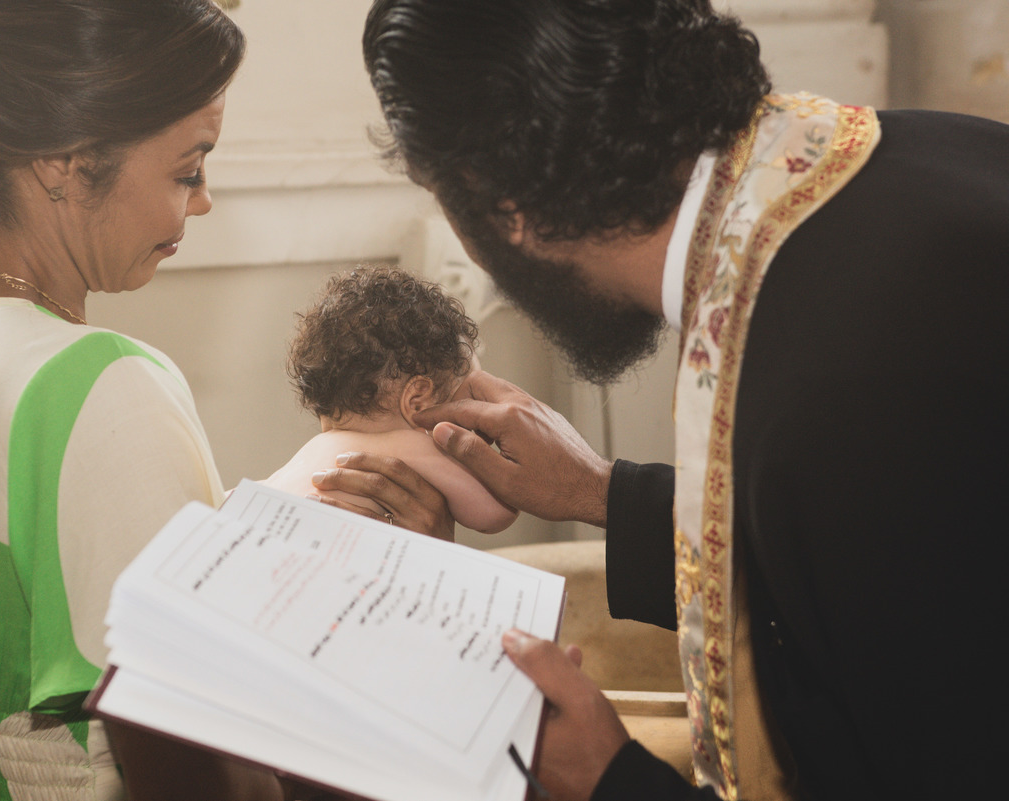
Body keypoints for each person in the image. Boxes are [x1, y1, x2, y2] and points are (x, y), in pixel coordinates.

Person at [359, 1, 1009, 799]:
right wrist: (602, 492)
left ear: (503, 207)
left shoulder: (824, 393)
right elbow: (867, 564)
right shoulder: (924, 151)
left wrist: (611, 777)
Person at [0, 3, 450, 800]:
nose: (204, 198)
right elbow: (201, 774)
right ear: (66, 160)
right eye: (188, 167)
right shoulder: (100, 381)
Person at [261, 265, 518, 534]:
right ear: (417, 402)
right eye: (468, 400)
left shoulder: (308, 455)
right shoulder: (414, 445)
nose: (474, 417)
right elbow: (496, 511)